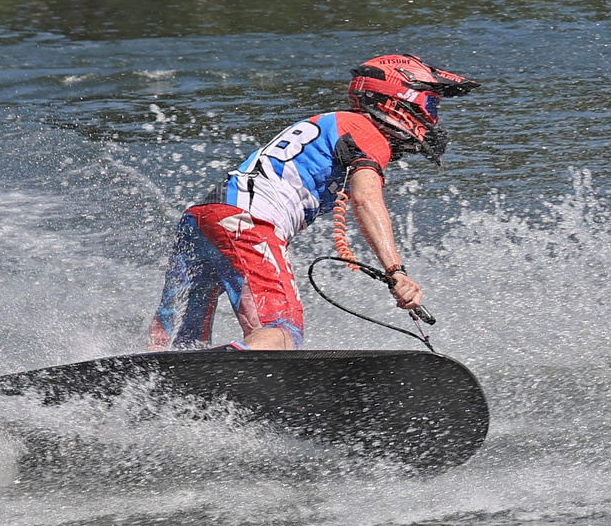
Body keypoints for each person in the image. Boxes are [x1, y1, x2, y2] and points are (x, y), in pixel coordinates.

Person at [150, 56, 476, 352]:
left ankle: (153, 383)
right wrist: (396, 271)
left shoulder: (334, 122)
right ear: (403, 100)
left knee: (179, 338)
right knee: (281, 329)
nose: (432, 119)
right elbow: (365, 199)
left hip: (201, 218)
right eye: (431, 107)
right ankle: (224, 378)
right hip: (247, 223)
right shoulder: (366, 133)